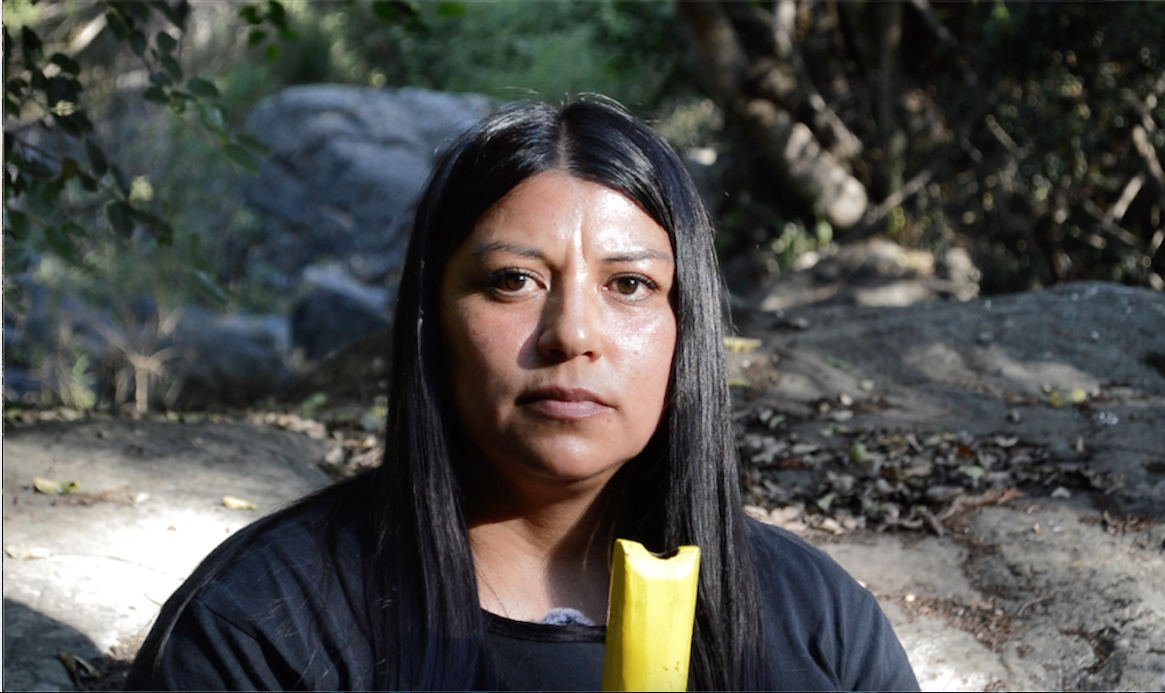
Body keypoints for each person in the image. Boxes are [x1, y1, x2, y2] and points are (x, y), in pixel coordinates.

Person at [124, 96, 918, 691]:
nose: (571, 332)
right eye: (513, 280)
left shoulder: (815, 619)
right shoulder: (265, 624)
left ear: (688, 326)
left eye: (629, 284)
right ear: (433, 317)